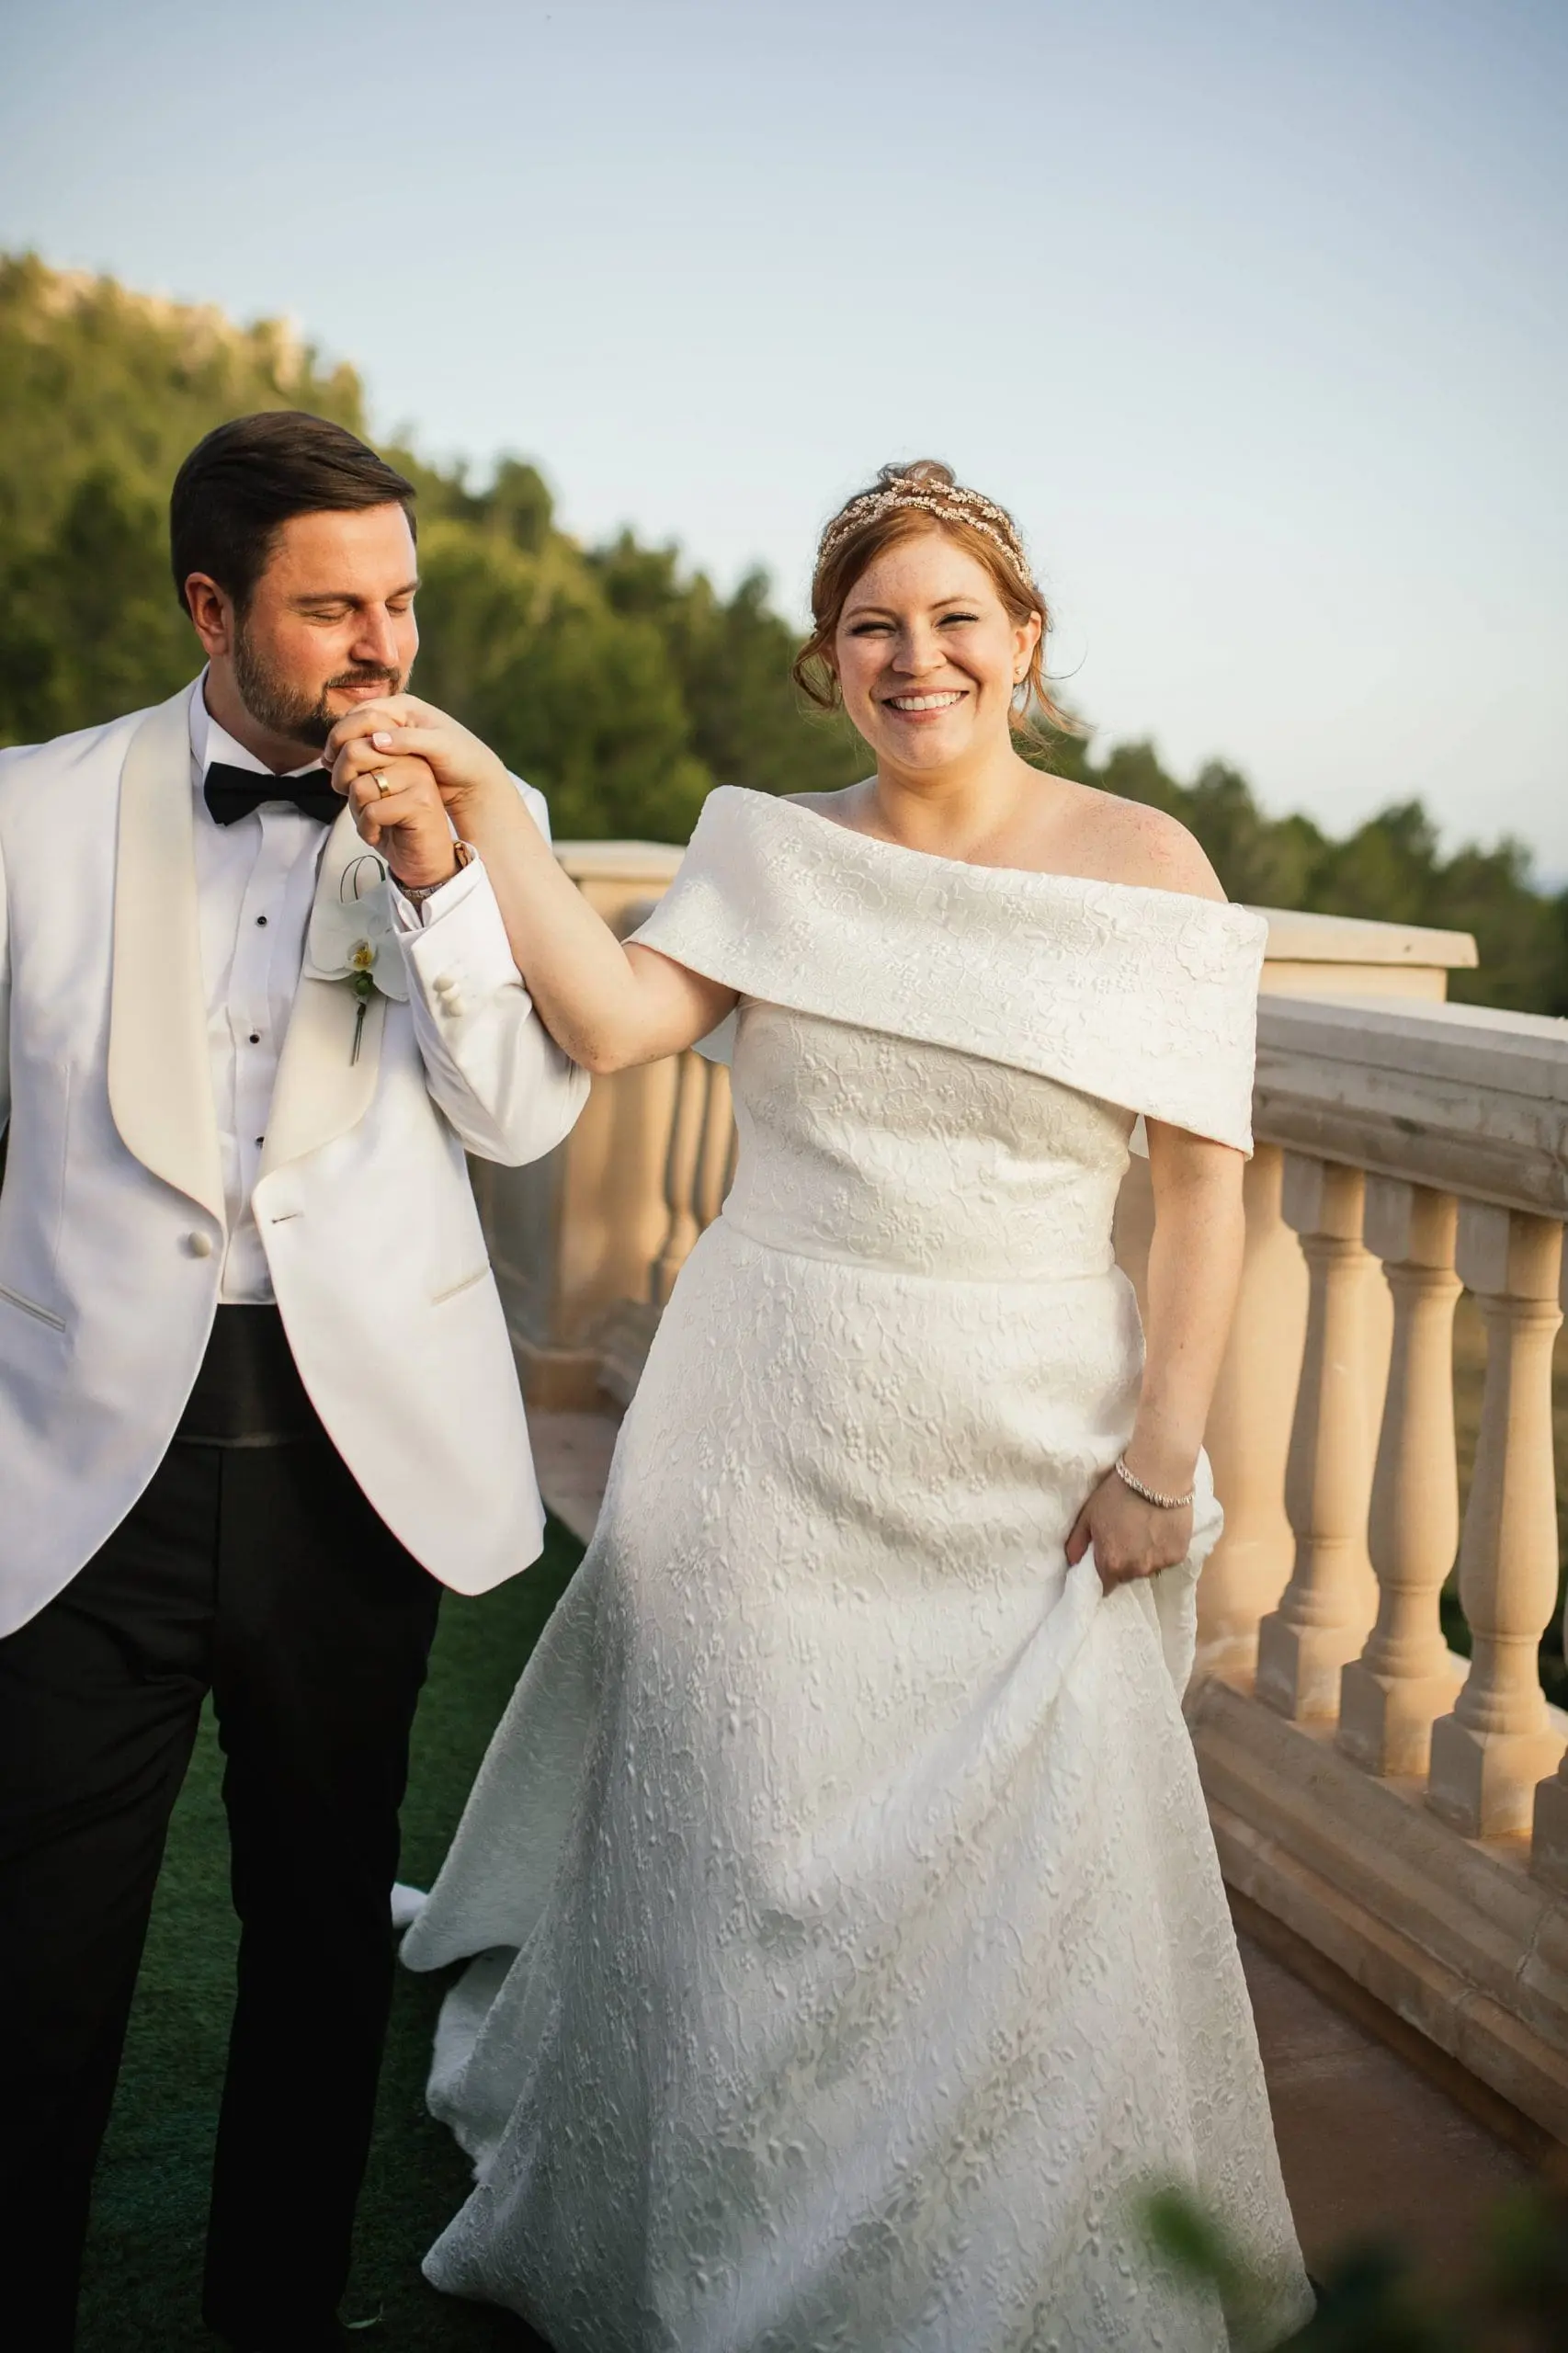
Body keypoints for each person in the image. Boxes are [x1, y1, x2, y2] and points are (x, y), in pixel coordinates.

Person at [335, 459, 1314, 2350]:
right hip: (757, 1426)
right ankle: (684, 2233)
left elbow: (1204, 1193)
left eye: (955, 619)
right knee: (734, 1838)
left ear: (1025, 645)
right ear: (827, 662)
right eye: (874, 624)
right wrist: (488, 813)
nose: (915, 654)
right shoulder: (768, 851)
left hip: (1030, 1444)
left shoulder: (1149, 870)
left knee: (1006, 1896)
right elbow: (615, 1024)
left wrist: (1158, 1462)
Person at [0, 411, 589, 2351]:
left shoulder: (471, 822)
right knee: (38, 1951)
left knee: (324, 1931)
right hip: (79, 1459)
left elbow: (516, 1116)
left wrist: (436, 882)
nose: (381, 645)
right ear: (211, 604)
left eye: (399, 601)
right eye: (332, 605)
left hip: (354, 1467)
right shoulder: (29, 814)